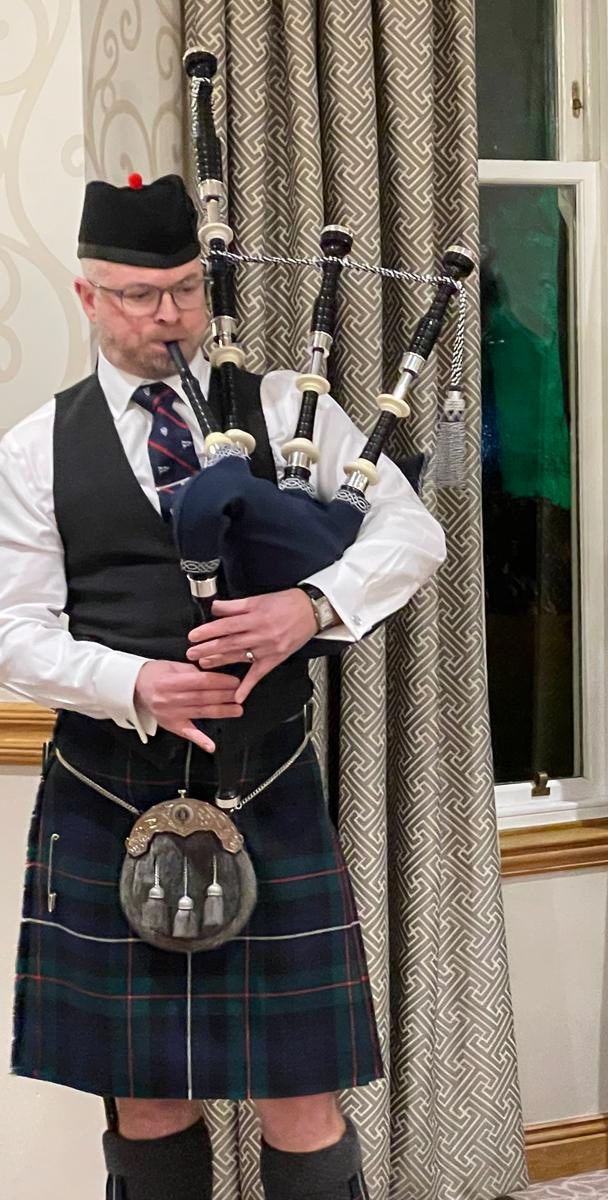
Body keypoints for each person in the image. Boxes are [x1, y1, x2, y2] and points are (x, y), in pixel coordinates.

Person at [0, 174, 446, 1198]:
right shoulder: (34, 449)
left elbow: (411, 533)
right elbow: (13, 632)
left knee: (304, 1097)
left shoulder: (289, 406)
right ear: (88, 297)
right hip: (109, 790)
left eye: (187, 290)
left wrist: (313, 605)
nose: (169, 315)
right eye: (139, 295)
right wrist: (133, 681)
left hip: (267, 780)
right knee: (148, 1099)